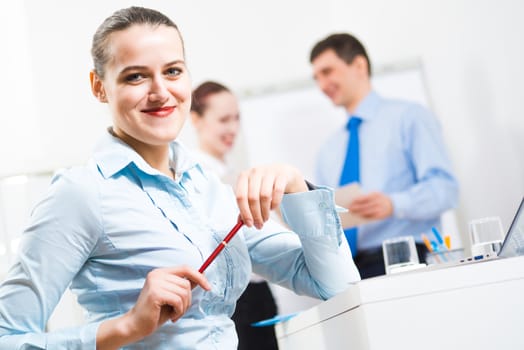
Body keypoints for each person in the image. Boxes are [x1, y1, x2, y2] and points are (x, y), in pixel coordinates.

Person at [0, 7, 360, 349]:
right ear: (99, 87)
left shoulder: (206, 186)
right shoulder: (82, 194)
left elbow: (337, 286)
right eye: (135, 76)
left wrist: (297, 187)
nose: (160, 92)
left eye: (172, 71)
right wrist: (127, 326)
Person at [310, 33, 458, 278]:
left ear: (359, 65)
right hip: (350, 270)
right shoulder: (328, 150)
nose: (322, 85)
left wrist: (393, 204)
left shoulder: (409, 117)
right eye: (316, 78)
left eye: (327, 72)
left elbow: (445, 189)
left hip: (408, 260)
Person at [190, 81, 279, 350]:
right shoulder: (195, 174)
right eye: (223, 119)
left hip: (257, 292)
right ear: (196, 119)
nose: (232, 129)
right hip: (234, 298)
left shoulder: (232, 172)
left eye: (237, 119)